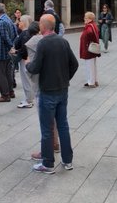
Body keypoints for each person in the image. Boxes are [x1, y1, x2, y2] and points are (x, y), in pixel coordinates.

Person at [27, 14, 79, 174]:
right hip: (62, 91)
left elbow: (35, 67)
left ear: (43, 26)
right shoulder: (63, 41)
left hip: (47, 92)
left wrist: (28, 65)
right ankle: (67, 160)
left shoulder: (43, 44)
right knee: (63, 125)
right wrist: (64, 78)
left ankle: (48, 163)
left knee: (47, 128)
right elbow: (74, 64)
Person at [0, 3, 18, 102]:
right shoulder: (9, 19)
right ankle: (10, 92)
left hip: (1, 53)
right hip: (6, 53)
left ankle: (5, 95)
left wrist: (11, 47)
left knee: (1, 74)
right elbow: (15, 34)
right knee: (8, 73)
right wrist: (12, 47)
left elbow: (5, 37)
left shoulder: (1, 22)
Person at [12, 15, 40, 109]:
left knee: (26, 80)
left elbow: (24, 48)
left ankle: (29, 100)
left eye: (20, 21)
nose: (18, 23)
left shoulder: (25, 33)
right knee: (28, 80)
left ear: (24, 22)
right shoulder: (27, 33)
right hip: (27, 58)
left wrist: (17, 52)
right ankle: (29, 99)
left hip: (25, 59)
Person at [79, 12, 100, 88]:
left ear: (90, 19)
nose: (84, 19)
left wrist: (88, 41)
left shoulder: (89, 26)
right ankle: (94, 80)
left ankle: (91, 82)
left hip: (89, 49)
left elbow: (90, 33)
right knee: (92, 65)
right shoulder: (93, 25)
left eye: (85, 17)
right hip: (91, 49)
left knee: (89, 66)